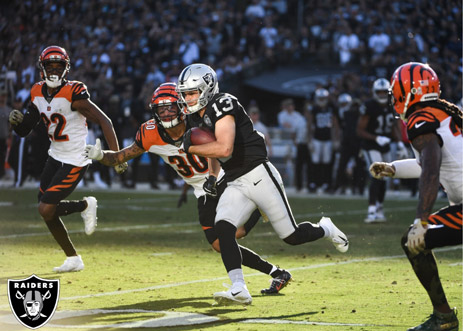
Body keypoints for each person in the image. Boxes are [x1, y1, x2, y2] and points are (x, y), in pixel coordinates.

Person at [83, 82, 292, 294]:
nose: (165, 113)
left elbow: (222, 149)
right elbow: (120, 156)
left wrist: (214, 175)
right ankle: (277, 272)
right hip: (200, 190)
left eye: (170, 107)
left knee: (229, 233)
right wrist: (101, 156)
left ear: (181, 106)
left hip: (221, 178)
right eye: (160, 108)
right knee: (221, 243)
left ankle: (240, 283)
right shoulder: (149, 133)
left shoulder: (199, 122)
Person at [177, 63, 349, 306]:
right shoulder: (199, 115)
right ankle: (239, 288)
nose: (188, 98)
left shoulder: (223, 103)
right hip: (235, 179)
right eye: (185, 94)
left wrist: (190, 147)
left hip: (259, 173)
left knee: (291, 236)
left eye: (192, 92)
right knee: (223, 229)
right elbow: (215, 154)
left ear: (207, 88)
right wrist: (213, 178)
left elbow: (224, 146)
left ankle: (326, 228)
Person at [8, 46, 126, 273]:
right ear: (41, 68)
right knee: (46, 209)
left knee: (45, 208)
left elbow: (105, 121)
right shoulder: (36, 92)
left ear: (66, 68)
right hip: (55, 156)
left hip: (76, 158)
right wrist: (17, 122)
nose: (54, 70)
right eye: (49, 66)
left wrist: (117, 156)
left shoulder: (74, 92)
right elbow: (25, 130)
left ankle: (85, 205)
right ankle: (73, 258)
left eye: (58, 66)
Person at [369, 62, 461, 331]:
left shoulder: (421, 118)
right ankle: (443, 316)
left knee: (414, 241)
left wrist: (422, 219)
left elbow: (432, 168)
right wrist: (394, 168)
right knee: (413, 240)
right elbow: (432, 161)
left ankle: (443, 316)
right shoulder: (443, 113)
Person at [357, 78, 405, 223]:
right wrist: (376, 138)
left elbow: (395, 126)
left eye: (385, 92)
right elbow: (359, 130)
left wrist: (400, 143)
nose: (382, 94)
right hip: (371, 145)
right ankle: (371, 210)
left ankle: (379, 208)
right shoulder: (369, 106)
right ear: (374, 92)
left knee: (384, 177)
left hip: (385, 145)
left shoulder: (393, 105)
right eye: (380, 92)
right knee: (376, 174)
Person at [306, 88, 340, 193]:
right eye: (320, 98)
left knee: (327, 163)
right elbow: (309, 124)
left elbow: (335, 125)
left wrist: (336, 139)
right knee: (315, 162)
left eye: (323, 98)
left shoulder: (331, 108)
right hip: (317, 139)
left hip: (328, 139)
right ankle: (313, 183)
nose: (322, 100)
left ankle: (326, 183)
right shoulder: (314, 109)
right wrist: (309, 140)